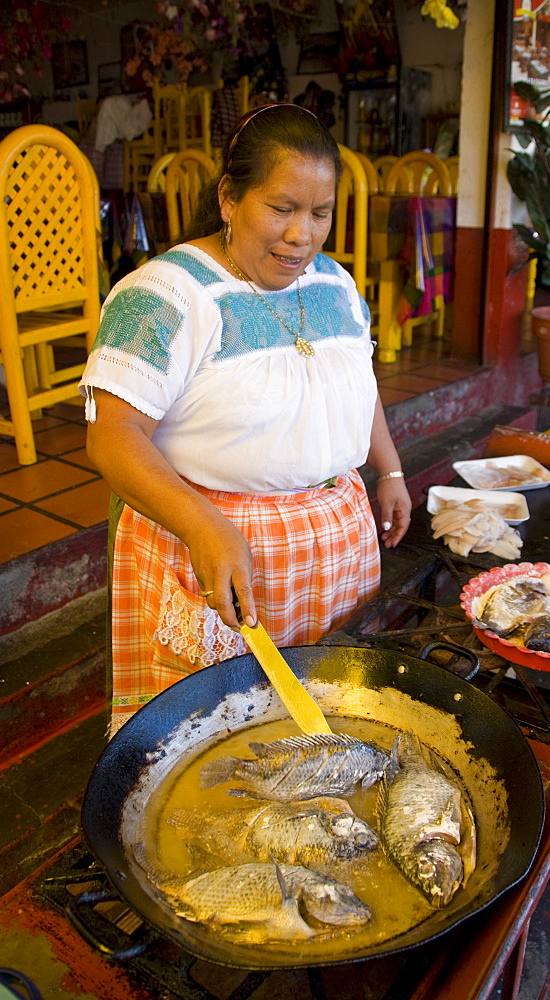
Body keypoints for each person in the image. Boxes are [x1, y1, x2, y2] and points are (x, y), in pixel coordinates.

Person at [80, 103, 411, 736]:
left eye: (319, 214)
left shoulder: (336, 286)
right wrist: (204, 526)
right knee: (223, 739)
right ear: (230, 199)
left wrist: (389, 470)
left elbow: (356, 386)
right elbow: (113, 434)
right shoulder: (165, 295)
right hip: (220, 556)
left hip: (335, 549)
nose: (301, 236)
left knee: (330, 727)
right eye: (281, 209)